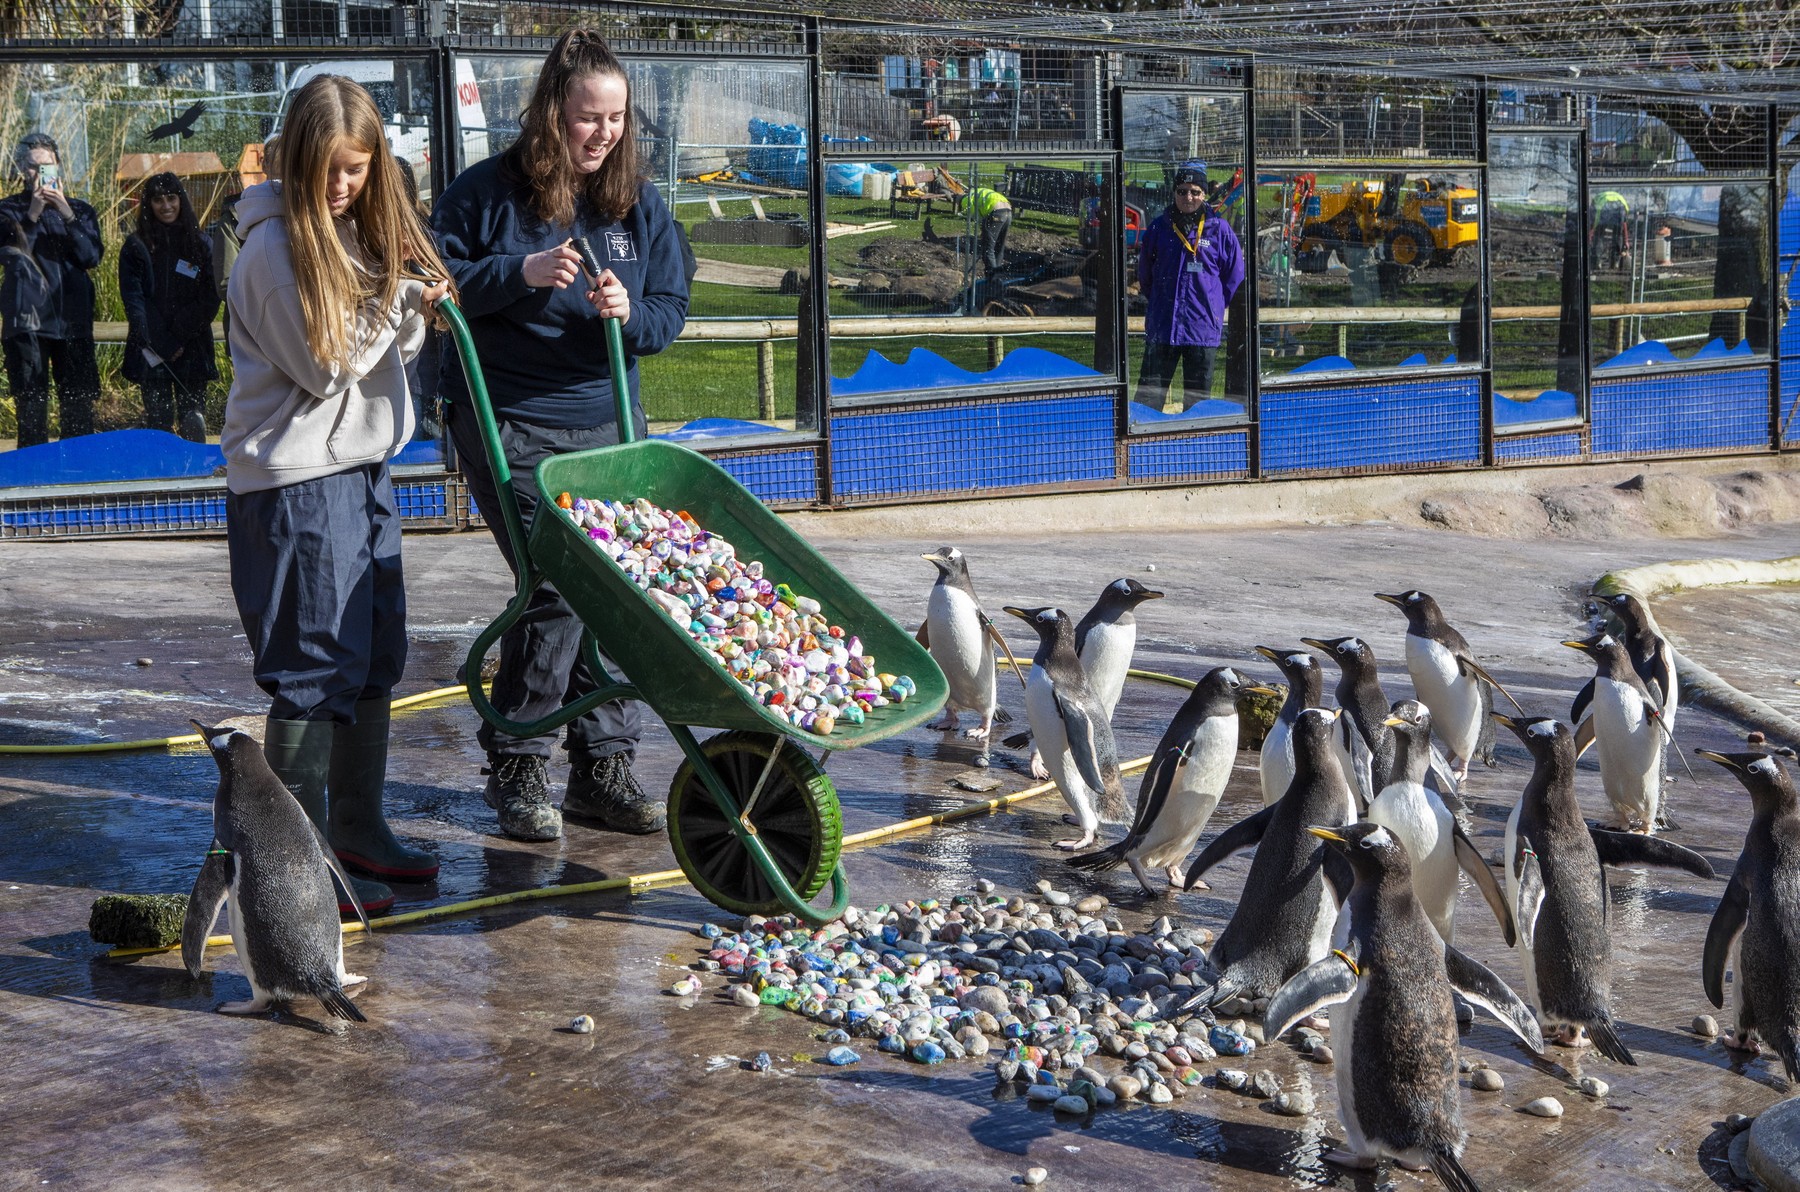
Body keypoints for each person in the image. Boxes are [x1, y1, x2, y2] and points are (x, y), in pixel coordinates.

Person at [433, 29, 690, 844]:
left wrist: (631, 313)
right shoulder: (486, 194)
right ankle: (519, 762)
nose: (604, 133)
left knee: (610, 586)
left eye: (616, 119)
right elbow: (435, 286)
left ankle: (601, 767)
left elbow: (669, 310)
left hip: (607, 419)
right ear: (552, 113)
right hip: (507, 417)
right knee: (556, 582)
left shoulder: (636, 202)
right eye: (588, 117)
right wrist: (521, 272)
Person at [221, 75, 453, 914]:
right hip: (296, 480)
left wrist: (417, 308)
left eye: (357, 168)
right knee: (315, 665)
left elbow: (385, 348)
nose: (343, 185)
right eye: (328, 168)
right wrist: (396, 300)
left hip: (361, 466)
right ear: (295, 157)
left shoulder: (352, 231)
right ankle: (297, 865)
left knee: (375, 653)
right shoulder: (272, 252)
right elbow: (326, 366)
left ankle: (356, 827)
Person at [0, 132, 102, 449]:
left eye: (46, 166)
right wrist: (32, 213)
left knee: (78, 405)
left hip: (73, 322)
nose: (39, 173)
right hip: (27, 324)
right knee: (31, 406)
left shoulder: (81, 210)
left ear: (58, 167)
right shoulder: (8, 210)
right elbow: (10, 255)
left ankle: (79, 472)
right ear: (22, 169)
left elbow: (91, 257)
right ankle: (32, 477)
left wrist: (67, 214)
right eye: (33, 166)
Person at [1135, 161, 1245, 412]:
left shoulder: (1219, 230)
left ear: (1204, 194)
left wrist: (1214, 304)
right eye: (1182, 191)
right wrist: (1160, 301)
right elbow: (1145, 274)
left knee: (1198, 404)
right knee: (1148, 400)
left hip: (1202, 329)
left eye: (1195, 191)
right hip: (1163, 326)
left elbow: (1234, 275)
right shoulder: (1159, 228)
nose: (1188, 197)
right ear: (1174, 193)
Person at [119, 172, 219, 441]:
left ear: (181, 200)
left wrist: (178, 337)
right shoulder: (135, 246)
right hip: (151, 349)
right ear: (148, 204)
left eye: (171, 198)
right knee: (158, 426)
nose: (166, 206)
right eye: (158, 200)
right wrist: (162, 342)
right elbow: (135, 300)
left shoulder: (201, 244)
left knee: (193, 422)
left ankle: (195, 469)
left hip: (192, 346)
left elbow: (210, 298)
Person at [958, 183, 1012, 282]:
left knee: (988, 249)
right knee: (999, 246)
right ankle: (998, 274)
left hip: (996, 212)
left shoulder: (965, 201)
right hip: (1008, 210)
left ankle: (992, 277)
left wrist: (984, 232)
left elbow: (977, 217)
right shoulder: (976, 193)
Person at [1591, 189, 1631, 269]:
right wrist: (1626, 241)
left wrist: (1591, 232)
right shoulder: (1622, 201)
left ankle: (1597, 261)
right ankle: (1614, 262)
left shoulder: (1596, 201)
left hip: (1604, 208)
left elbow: (1595, 221)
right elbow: (1624, 225)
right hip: (1619, 208)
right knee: (1618, 235)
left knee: (1599, 235)